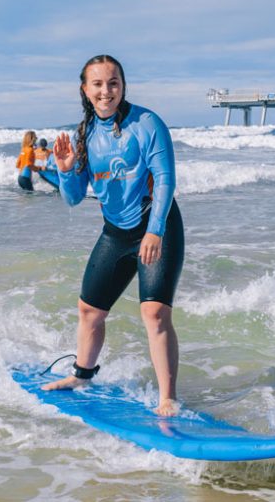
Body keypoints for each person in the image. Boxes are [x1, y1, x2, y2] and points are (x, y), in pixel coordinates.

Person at [42, 54, 184, 417]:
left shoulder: (147, 123)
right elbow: (73, 199)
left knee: (154, 313)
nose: (107, 91)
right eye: (98, 84)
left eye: (113, 82)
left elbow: (166, 180)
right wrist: (66, 170)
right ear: (85, 90)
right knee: (89, 310)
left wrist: (155, 231)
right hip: (116, 232)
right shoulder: (85, 134)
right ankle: (82, 375)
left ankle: (167, 398)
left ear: (123, 85)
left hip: (157, 223)